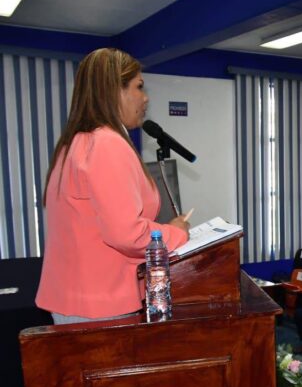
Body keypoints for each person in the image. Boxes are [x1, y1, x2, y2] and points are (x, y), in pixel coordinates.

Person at [36, 48, 190, 323]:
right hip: (101, 302)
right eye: (138, 87)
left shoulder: (75, 142)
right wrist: (176, 233)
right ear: (114, 91)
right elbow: (127, 234)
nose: (145, 98)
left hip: (76, 299)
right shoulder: (106, 144)